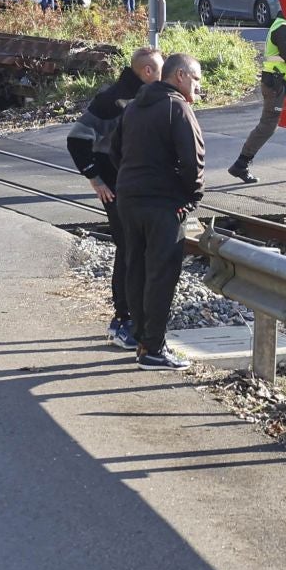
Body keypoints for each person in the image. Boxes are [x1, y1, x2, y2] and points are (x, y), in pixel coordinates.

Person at [110, 52, 204, 370]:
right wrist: (191, 197)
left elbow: (115, 151)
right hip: (163, 203)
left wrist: (132, 178)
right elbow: (193, 159)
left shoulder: (134, 106)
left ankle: (139, 338)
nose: (199, 86)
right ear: (179, 76)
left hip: (129, 199)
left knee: (135, 268)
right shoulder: (177, 107)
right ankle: (153, 349)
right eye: (196, 78)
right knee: (162, 274)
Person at [66, 46, 164, 349]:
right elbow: (76, 139)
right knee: (128, 251)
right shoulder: (112, 101)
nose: (163, 76)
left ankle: (129, 317)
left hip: (130, 187)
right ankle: (123, 319)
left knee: (133, 250)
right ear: (147, 71)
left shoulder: (143, 97)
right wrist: (96, 179)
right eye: (160, 70)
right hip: (117, 188)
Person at [228, 13, 286, 184]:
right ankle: (241, 164)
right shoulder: (283, 28)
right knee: (268, 126)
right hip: (279, 86)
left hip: (284, 85)